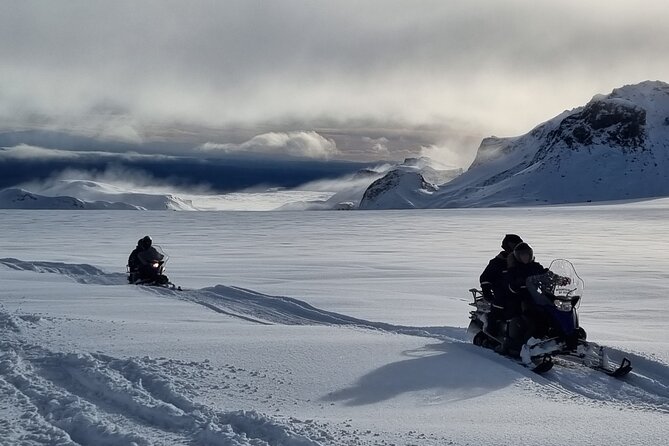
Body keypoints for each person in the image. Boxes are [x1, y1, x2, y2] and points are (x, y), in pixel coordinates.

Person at [479, 234, 523, 313]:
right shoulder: (497, 262)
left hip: (521, 292)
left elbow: (534, 271)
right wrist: (487, 293)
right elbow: (485, 278)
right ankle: (492, 324)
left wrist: (548, 274)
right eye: (513, 247)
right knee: (498, 312)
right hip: (502, 294)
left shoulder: (524, 262)